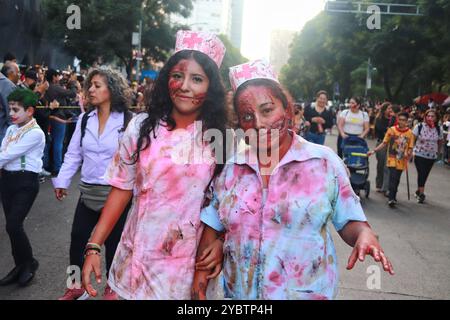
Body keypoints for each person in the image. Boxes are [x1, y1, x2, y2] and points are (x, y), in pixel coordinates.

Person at [193, 60, 394, 300]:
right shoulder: (232, 169)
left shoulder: (323, 163)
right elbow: (212, 227)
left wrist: (364, 235)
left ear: (287, 109)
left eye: (267, 110)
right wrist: (200, 279)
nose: (259, 124)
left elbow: (351, 221)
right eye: (247, 116)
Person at [82, 30, 228, 300]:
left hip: (185, 273)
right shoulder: (140, 127)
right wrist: (94, 245)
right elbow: (122, 188)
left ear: (211, 89)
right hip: (133, 261)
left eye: (197, 79)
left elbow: (223, 204)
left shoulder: (220, 140)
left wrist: (220, 242)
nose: (185, 86)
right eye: (177, 76)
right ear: (166, 80)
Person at [52, 68, 134, 300]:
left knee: (114, 244)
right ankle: (76, 286)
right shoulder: (85, 119)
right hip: (87, 192)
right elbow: (73, 154)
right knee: (77, 239)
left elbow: (136, 161)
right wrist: (62, 181)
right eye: (90, 85)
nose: (91, 90)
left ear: (112, 89)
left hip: (116, 194)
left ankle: (113, 289)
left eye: (97, 85)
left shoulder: (129, 121)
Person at [0, 89, 45, 286]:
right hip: (7, 180)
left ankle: (29, 263)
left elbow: (8, 154)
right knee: (11, 227)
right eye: (10, 109)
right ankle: (19, 266)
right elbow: (3, 151)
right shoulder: (11, 129)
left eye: (16, 109)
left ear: (30, 111)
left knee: (13, 225)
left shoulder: (36, 133)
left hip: (26, 182)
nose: (11, 113)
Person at [368, 112, 414, 207]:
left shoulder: (409, 133)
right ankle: (391, 198)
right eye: (400, 120)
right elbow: (384, 143)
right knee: (392, 178)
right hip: (391, 158)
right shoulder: (392, 130)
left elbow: (410, 147)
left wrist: (408, 153)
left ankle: (393, 194)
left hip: (401, 160)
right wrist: (374, 151)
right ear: (397, 120)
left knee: (396, 179)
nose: (402, 122)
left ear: (407, 122)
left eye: (404, 120)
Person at [44, 68, 78, 175]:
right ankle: (57, 167)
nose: (59, 78)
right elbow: (72, 94)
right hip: (59, 118)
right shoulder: (55, 87)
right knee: (58, 143)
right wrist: (72, 82)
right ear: (54, 77)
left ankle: (47, 165)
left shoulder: (46, 87)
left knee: (49, 142)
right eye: (58, 76)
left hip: (48, 116)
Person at [412, 109, 444, 204]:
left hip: (431, 156)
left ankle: (418, 191)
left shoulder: (439, 128)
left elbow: (440, 141)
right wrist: (410, 151)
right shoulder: (419, 126)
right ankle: (421, 194)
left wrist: (438, 152)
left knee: (425, 175)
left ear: (436, 118)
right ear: (425, 117)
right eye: (428, 116)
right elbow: (412, 139)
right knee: (421, 173)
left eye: (432, 116)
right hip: (419, 154)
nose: (430, 118)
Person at [374, 102, 393, 192]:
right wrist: (389, 130)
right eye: (388, 108)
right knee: (381, 165)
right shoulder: (379, 119)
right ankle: (379, 184)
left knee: (387, 165)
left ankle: (386, 187)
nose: (390, 110)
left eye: (391, 108)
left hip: (391, 144)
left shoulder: (393, 119)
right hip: (381, 143)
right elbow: (380, 130)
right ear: (384, 109)